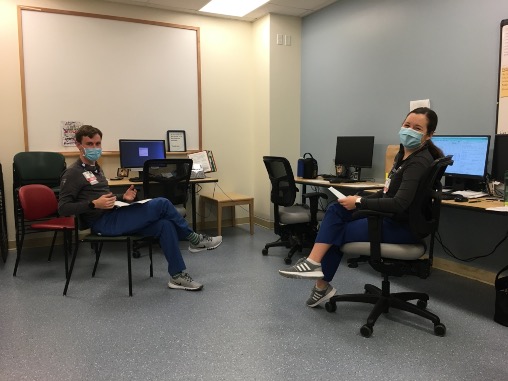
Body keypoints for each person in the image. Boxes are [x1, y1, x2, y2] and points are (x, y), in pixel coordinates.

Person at [278, 107, 443, 307]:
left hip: (401, 228)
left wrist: (359, 202)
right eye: (407, 125)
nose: (409, 130)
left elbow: (399, 203)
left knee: (337, 229)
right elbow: (389, 192)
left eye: (417, 128)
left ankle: (320, 282)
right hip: (390, 218)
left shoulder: (418, 162)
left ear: (429, 135)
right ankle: (314, 266)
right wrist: (362, 196)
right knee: (336, 209)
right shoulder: (404, 156)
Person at [58, 125, 222, 291]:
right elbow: (63, 208)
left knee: (165, 225)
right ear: (78, 145)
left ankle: (177, 276)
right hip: (102, 223)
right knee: (162, 203)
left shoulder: (96, 168)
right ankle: (195, 240)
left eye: (98, 144)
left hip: (114, 214)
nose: (95, 148)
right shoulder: (72, 173)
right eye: (90, 144)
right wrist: (93, 204)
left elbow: (104, 198)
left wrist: (123, 198)